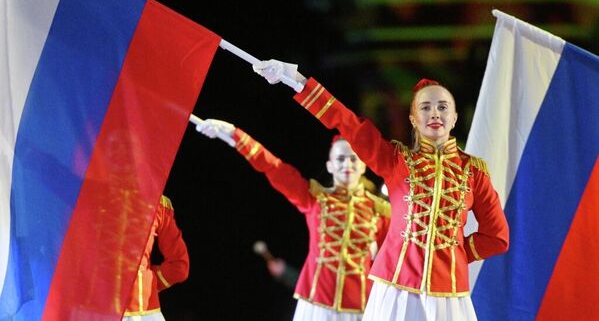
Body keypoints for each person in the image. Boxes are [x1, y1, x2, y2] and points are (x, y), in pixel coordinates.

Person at [249, 59, 510, 321]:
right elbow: (347, 123)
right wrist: (297, 81)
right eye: (425, 107)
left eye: (443, 107)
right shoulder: (395, 159)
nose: (434, 114)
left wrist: (455, 253)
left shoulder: (474, 172)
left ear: (454, 117)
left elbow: (497, 236)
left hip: (449, 291)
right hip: (394, 286)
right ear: (413, 119)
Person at [196, 120, 390, 321]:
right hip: (316, 303)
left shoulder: (381, 211)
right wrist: (236, 136)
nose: (347, 164)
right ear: (330, 166)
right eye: (340, 159)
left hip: (361, 306)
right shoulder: (314, 198)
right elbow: (274, 168)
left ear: (364, 165)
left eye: (353, 159)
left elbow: (390, 264)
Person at [122, 194, 190, 321]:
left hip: (89, 309)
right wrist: (145, 282)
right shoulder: (158, 204)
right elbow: (179, 268)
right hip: (144, 312)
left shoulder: (83, 199)